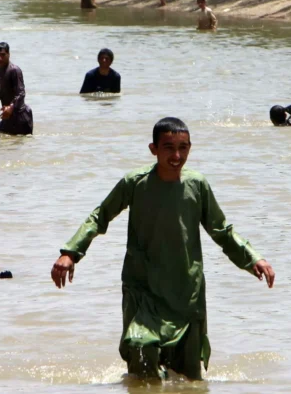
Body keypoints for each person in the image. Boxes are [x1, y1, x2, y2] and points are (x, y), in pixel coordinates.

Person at [51, 117, 275, 381]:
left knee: (189, 379)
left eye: (184, 147)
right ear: (153, 149)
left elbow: (222, 231)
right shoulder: (135, 183)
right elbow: (99, 216)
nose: (177, 155)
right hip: (143, 288)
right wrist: (70, 253)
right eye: (169, 147)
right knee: (140, 352)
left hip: (186, 291)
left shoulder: (197, 185)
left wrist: (253, 259)